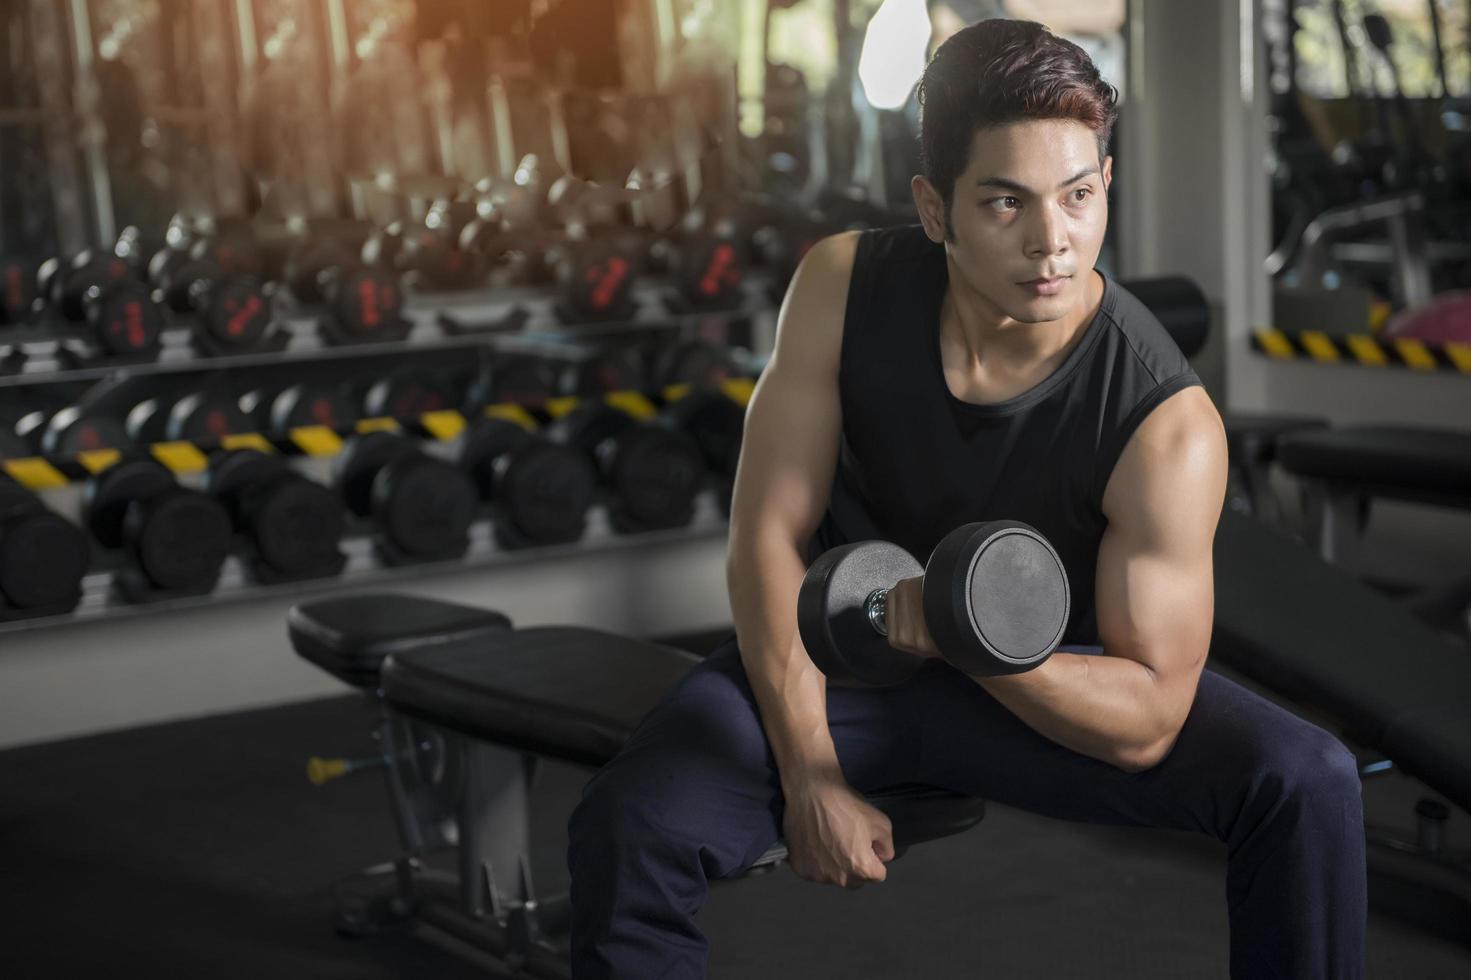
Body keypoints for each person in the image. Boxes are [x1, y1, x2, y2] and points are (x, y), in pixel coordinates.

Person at [568, 19, 1366, 979]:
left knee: (1306, 780)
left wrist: (962, 634)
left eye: (1077, 196)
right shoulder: (842, 286)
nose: (1051, 243)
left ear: (1105, 184)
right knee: (627, 827)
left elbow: (1151, 713)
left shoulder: (1163, 420)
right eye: (1004, 204)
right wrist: (810, 773)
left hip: (1042, 688)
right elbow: (766, 539)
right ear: (934, 209)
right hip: (843, 668)